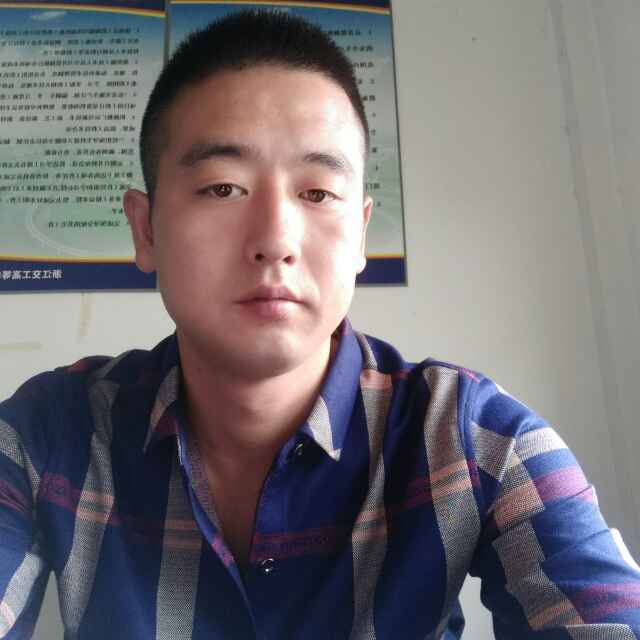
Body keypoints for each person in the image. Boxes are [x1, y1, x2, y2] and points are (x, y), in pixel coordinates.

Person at [1, 9, 639, 639]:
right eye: (223, 187)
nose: (275, 241)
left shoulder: (473, 437)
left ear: (360, 235)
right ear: (146, 230)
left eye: (317, 193)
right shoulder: (48, 432)